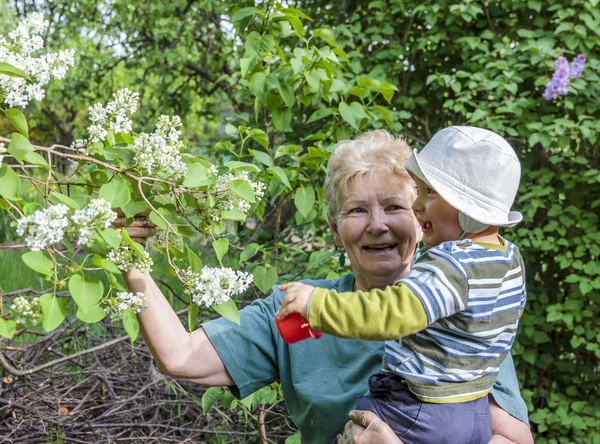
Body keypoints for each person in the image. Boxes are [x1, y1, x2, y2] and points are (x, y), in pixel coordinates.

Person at [119, 130, 533, 443]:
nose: (377, 224)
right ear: (335, 231)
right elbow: (182, 356)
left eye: (394, 206)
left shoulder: (461, 305)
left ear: (423, 217)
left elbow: (513, 439)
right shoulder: (302, 315)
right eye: (357, 210)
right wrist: (129, 255)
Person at [278, 127, 527, 443]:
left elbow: (391, 314)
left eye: (429, 193)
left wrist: (317, 305)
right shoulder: (508, 258)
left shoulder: (452, 266)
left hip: (424, 412)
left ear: (467, 209)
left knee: (358, 429)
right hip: (472, 409)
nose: (417, 205)